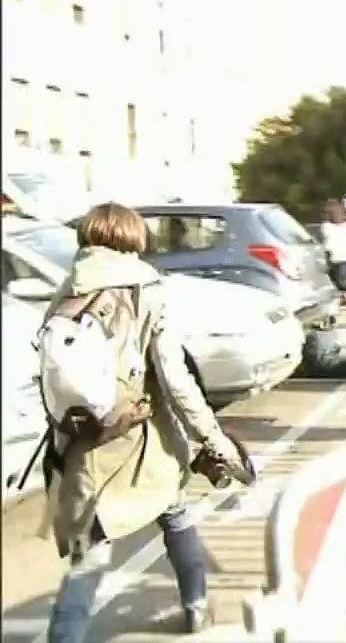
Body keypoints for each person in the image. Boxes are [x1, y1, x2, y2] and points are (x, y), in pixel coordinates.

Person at [39, 203, 249, 640]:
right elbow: (176, 380)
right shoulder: (146, 289)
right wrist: (214, 441)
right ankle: (195, 609)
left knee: (86, 559)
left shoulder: (67, 290)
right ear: (134, 240)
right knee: (176, 518)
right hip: (146, 441)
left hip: (87, 447)